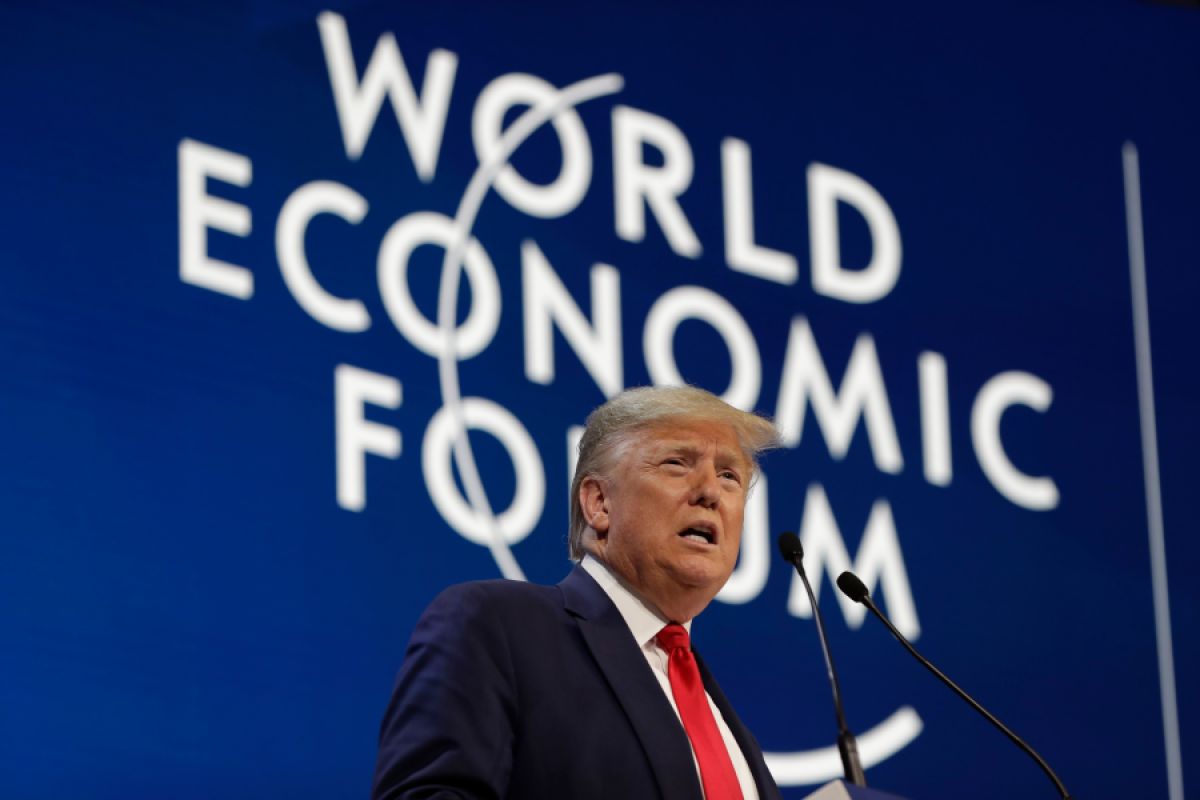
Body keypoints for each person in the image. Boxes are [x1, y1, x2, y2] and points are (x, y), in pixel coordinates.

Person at [372, 385, 782, 800]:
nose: (711, 492)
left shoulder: (725, 722)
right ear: (599, 502)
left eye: (729, 476)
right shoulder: (498, 627)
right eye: (677, 463)